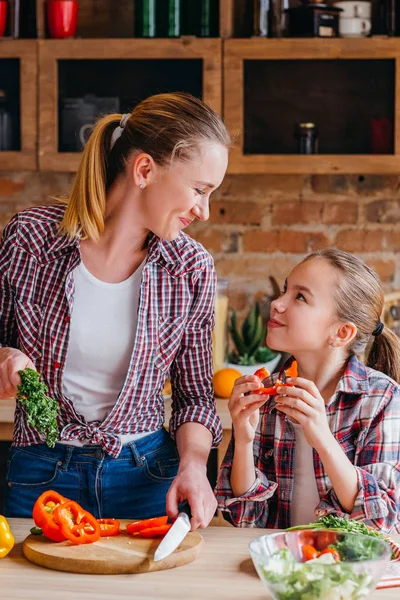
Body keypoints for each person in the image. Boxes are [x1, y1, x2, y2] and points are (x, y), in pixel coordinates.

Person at [0, 92, 230, 528]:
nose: (203, 210)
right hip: (40, 473)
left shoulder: (190, 268)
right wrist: (5, 357)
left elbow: (195, 397)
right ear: (144, 169)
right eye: (199, 189)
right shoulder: (30, 239)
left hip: (147, 477)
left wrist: (194, 467)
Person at [215, 249, 400, 534]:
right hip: (278, 563)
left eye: (300, 297)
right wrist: (243, 441)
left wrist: (323, 438)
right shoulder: (266, 392)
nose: (277, 303)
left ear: (341, 333)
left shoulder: (382, 399)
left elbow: (381, 522)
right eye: (285, 290)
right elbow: (244, 517)